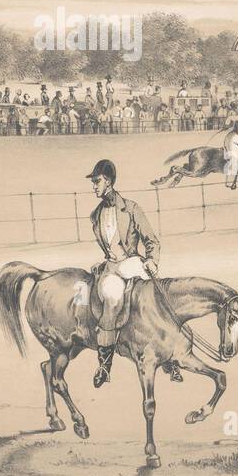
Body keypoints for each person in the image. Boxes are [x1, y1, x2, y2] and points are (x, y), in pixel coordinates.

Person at [86, 159, 161, 388]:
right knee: (110, 298)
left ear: (108, 181)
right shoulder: (95, 215)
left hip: (133, 264)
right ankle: (105, 365)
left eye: (97, 181)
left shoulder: (131, 208)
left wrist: (152, 261)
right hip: (111, 269)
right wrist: (103, 264)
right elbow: (110, 247)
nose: (94, 186)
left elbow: (151, 240)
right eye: (93, 182)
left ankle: (169, 360)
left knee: (154, 296)